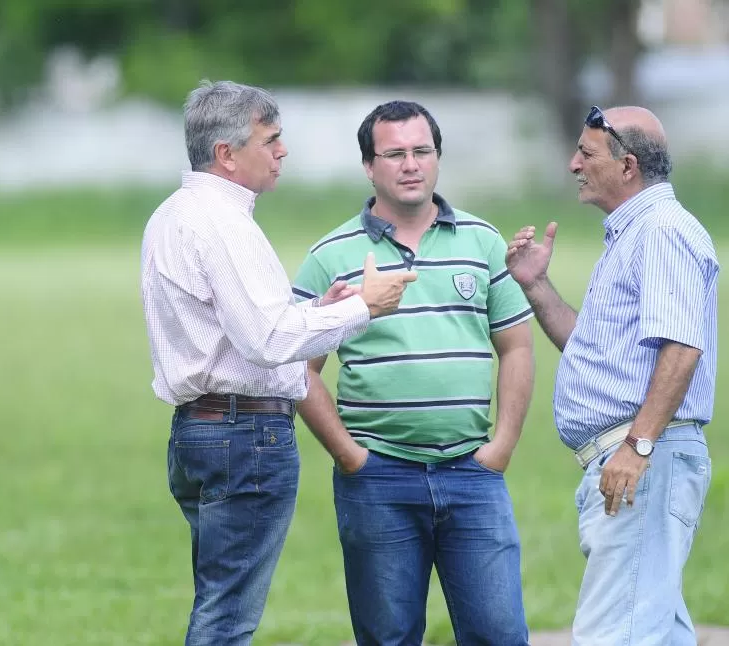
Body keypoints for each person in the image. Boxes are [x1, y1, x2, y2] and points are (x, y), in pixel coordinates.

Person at [140, 80, 417, 646]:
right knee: (227, 618)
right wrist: (365, 307)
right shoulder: (222, 223)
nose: (282, 151)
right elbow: (267, 339)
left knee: (218, 601)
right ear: (226, 154)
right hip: (245, 434)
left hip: (201, 430)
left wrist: (318, 309)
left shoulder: (175, 214)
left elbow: (236, 328)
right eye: (270, 139)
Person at [292, 100, 535, 646]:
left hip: (473, 474)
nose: (410, 164)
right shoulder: (330, 255)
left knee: (499, 634)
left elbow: (517, 348)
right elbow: (299, 367)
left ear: (438, 158)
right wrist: (348, 455)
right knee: (388, 637)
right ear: (368, 165)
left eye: (422, 151)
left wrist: (503, 446)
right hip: (377, 478)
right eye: (394, 153)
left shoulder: (483, 242)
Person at [505, 105, 718, 645]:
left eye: (587, 152)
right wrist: (537, 286)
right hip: (638, 458)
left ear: (627, 167)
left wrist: (638, 447)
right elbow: (592, 352)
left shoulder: (663, 231)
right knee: (655, 634)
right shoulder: (634, 234)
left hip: (646, 457)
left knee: (611, 635)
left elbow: (683, 347)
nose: (573, 163)